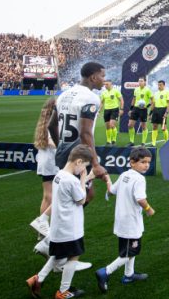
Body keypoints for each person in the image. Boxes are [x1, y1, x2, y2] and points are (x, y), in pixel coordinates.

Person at [26, 145, 94, 299]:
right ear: (78, 161)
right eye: (83, 166)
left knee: (58, 254)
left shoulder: (59, 175)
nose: (83, 169)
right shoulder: (72, 180)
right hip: (70, 227)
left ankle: (38, 279)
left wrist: (83, 179)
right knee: (74, 255)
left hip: (59, 226)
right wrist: (84, 180)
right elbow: (81, 199)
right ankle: (63, 291)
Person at [95, 146, 155, 292]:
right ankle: (105, 272)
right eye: (143, 162)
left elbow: (112, 191)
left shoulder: (124, 175)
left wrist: (108, 179)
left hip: (122, 221)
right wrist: (149, 209)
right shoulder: (139, 179)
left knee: (129, 250)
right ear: (132, 162)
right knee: (129, 252)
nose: (146, 165)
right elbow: (140, 199)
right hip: (131, 222)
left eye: (148, 162)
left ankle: (129, 275)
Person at [49, 61, 109, 205]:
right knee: (82, 197)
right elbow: (85, 133)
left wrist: (61, 146)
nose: (104, 80)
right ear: (93, 77)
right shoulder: (91, 98)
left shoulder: (63, 95)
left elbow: (51, 125)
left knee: (77, 195)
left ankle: (61, 224)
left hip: (64, 154)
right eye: (102, 76)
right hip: (80, 156)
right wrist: (95, 164)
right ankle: (65, 226)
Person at [31, 97, 58, 237]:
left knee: (47, 196)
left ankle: (42, 228)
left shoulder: (44, 121)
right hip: (51, 162)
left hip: (45, 161)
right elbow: (51, 142)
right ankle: (44, 226)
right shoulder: (52, 122)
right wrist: (64, 146)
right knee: (51, 196)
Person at [128, 77, 153, 146]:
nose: (140, 82)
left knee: (144, 126)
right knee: (130, 125)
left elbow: (153, 101)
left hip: (143, 110)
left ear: (145, 82)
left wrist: (148, 107)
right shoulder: (136, 89)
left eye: (141, 81)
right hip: (136, 109)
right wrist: (131, 109)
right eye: (139, 81)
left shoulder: (148, 90)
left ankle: (143, 142)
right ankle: (131, 141)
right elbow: (134, 99)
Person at [99, 80, 123, 146]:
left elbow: (121, 100)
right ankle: (108, 141)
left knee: (112, 125)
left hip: (114, 109)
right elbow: (101, 102)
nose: (105, 86)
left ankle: (114, 140)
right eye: (105, 84)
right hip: (106, 110)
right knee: (107, 126)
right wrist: (99, 111)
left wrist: (121, 109)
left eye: (107, 84)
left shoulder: (116, 91)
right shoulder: (104, 93)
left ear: (111, 84)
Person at [149, 80, 169, 146]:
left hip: (163, 110)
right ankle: (153, 143)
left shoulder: (167, 92)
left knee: (163, 127)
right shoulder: (155, 93)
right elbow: (153, 104)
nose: (159, 86)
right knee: (154, 126)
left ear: (164, 85)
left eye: (160, 85)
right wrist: (150, 114)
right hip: (156, 110)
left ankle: (167, 142)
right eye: (158, 85)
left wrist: (166, 112)